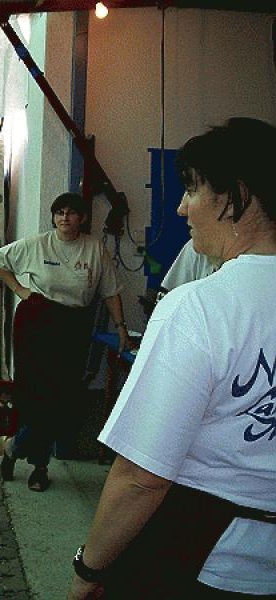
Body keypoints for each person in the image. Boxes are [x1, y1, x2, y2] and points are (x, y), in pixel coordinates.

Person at [68, 118, 276, 600]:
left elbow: (141, 478)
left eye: (193, 189)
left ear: (235, 197)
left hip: (204, 562)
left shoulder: (199, 306)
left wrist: (89, 568)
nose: (181, 207)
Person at [0, 192, 128, 492]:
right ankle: (39, 468)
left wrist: (121, 328)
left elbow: (111, 290)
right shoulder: (38, 244)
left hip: (74, 325)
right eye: (59, 212)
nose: (65, 217)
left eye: (71, 212)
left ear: (82, 218)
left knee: (61, 399)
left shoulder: (94, 248)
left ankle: (13, 447)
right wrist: (20, 290)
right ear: (53, 217)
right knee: (33, 395)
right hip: (37, 323)